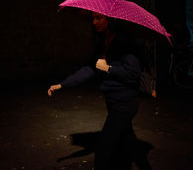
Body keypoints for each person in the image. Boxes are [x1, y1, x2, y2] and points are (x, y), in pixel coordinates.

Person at [48, 12, 150, 170]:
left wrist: (108, 68)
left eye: (98, 18)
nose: (94, 22)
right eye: (93, 18)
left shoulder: (124, 42)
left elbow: (133, 73)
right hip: (113, 102)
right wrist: (62, 85)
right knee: (129, 141)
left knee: (103, 146)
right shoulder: (103, 41)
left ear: (110, 20)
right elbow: (90, 69)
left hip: (124, 103)